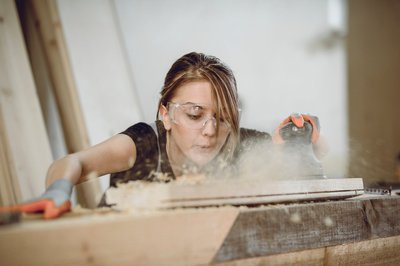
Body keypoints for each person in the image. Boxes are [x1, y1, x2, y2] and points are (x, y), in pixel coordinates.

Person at [1, 52, 322, 219]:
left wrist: (296, 142)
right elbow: (75, 163)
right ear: (165, 114)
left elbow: (307, 168)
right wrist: (58, 189)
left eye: (222, 118)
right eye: (194, 115)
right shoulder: (144, 143)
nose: (210, 131)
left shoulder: (243, 144)